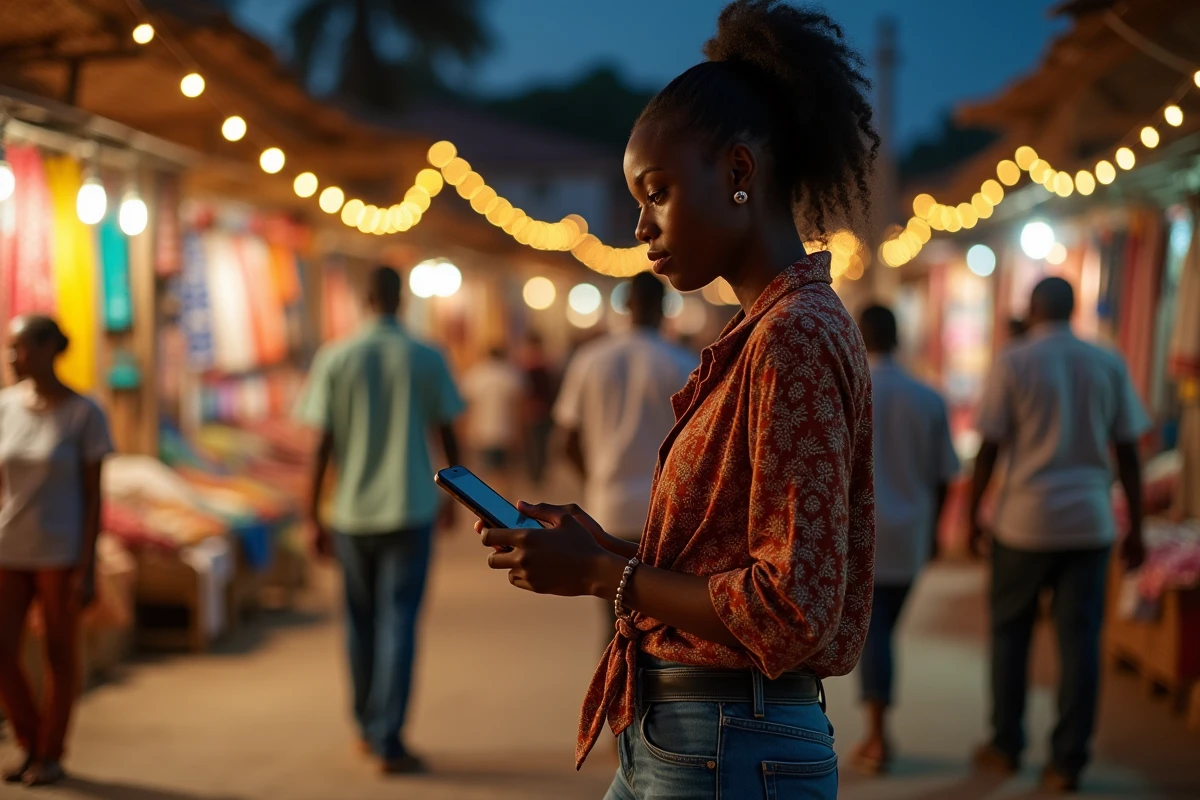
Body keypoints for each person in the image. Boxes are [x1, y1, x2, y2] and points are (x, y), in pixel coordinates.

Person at [474, 2, 879, 797]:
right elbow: (739, 568)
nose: (640, 226)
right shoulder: (766, 330)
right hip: (704, 736)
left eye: (656, 192)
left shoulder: (789, 338)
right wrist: (613, 551)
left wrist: (600, 576)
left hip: (729, 746)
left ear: (737, 174)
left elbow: (793, 606)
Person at [969, 276, 1149, 793]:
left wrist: (978, 514)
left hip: (1024, 524)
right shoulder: (1107, 360)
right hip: (1090, 524)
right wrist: (1135, 528)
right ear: (1073, 310)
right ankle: (1068, 760)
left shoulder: (1015, 360)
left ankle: (1006, 744)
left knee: (1010, 635)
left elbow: (989, 448)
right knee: (1080, 643)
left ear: (1033, 308)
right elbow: (1130, 453)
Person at [296, 266, 464, 775]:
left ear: (365, 297)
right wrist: (457, 498)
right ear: (399, 299)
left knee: (360, 621)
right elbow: (447, 433)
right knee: (400, 622)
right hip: (411, 509)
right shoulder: (427, 355)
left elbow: (321, 446)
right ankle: (390, 737)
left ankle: (367, 727)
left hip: (351, 513)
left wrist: (312, 516)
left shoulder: (336, 356)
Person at [553, 271, 696, 647]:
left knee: (615, 623)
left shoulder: (591, 359)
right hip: (664, 513)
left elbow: (565, 441)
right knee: (662, 628)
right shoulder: (683, 364)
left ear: (625, 305)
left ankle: (615, 702)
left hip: (607, 509)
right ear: (664, 307)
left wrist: (595, 478)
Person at [0, 315, 113, 787]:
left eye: (21, 346)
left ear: (49, 349)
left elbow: (93, 496)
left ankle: (50, 750)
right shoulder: (5, 407)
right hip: (9, 548)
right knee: (3, 651)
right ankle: (27, 739)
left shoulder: (85, 414)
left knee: (59, 654)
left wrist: (86, 567)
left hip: (60, 551)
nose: (12, 356)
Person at [852, 305, 959, 775]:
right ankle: (877, 729)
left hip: (857, 536)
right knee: (882, 630)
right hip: (909, 533)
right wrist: (935, 531)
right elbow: (944, 475)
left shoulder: (848, 389)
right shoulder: (928, 396)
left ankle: (877, 737)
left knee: (874, 633)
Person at [460, 345, 527, 493]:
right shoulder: (510, 373)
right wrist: (520, 431)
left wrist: (465, 429)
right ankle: (504, 497)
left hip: (482, 431)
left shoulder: (476, 374)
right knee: (505, 471)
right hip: (506, 431)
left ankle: (492, 500)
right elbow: (518, 405)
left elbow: (468, 405)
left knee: (487, 471)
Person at [520, 332, 557, 487]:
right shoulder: (541, 366)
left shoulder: (532, 366)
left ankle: (537, 474)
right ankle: (536, 474)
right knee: (537, 445)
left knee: (538, 444)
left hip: (537, 411)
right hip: (538, 411)